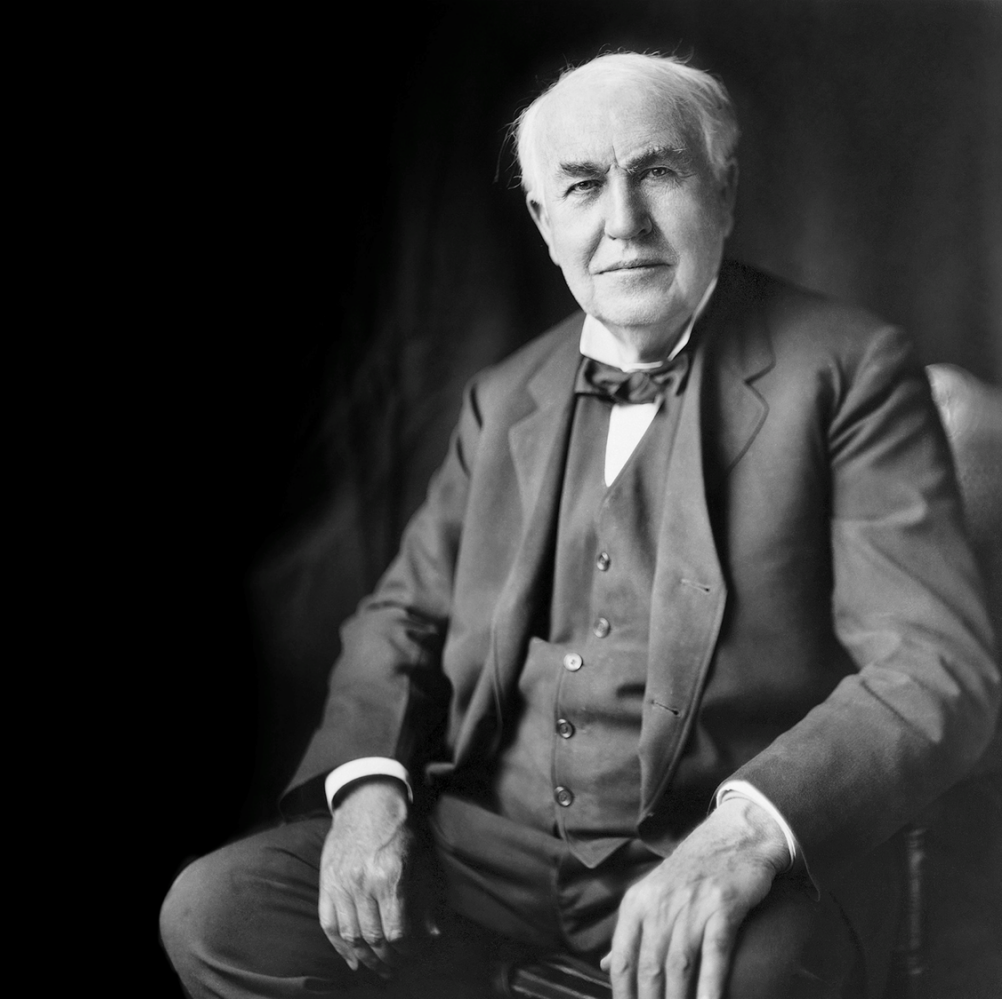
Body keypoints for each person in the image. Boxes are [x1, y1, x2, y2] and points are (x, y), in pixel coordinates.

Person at [161, 53, 999, 999]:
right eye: (583, 186)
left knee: (746, 979)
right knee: (216, 912)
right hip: (485, 852)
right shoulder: (501, 396)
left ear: (723, 189)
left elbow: (933, 664)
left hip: (710, 840)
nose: (622, 221)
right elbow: (401, 618)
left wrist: (744, 834)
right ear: (542, 219)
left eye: (657, 171)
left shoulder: (850, 370)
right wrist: (368, 792)